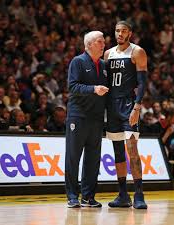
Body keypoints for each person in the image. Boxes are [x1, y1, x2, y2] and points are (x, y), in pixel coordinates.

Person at [104, 21, 148, 209]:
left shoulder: (137, 52)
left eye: (123, 31)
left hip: (129, 105)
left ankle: (139, 194)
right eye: (117, 31)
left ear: (130, 33)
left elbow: (142, 82)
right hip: (111, 107)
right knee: (117, 152)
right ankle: (123, 194)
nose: (120, 34)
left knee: (132, 149)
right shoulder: (108, 54)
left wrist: (137, 107)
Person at [65, 31, 108, 208]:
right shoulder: (78, 61)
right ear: (89, 44)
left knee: (93, 159)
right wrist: (93, 89)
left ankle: (88, 196)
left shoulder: (104, 65)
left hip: (97, 119)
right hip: (78, 116)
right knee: (73, 157)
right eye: (100, 41)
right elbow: (72, 86)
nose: (103, 44)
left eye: (104, 41)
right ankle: (72, 196)